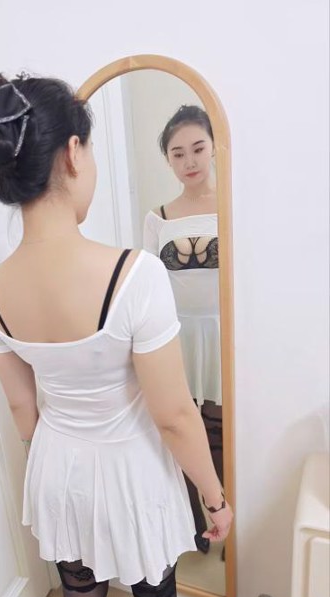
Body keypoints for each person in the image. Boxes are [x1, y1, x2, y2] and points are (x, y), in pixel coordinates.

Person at [0, 74, 233, 597]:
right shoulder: (135, 274)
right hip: (134, 470)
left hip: (58, 468)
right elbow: (174, 415)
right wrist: (214, 498)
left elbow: (23, 410)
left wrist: (60, 460)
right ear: (74, 153)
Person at [143, 105, 224, 558]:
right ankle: (192, 527)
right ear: (168, 160)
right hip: (174, 336)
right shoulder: (157, 217)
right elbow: (147, 287)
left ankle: (225, 521)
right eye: (178, 154)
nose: (189, 161)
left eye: (197, 148)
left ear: (214, 148)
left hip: (223, 334)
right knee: (180, 431)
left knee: (220, 432)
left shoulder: (231, 206)